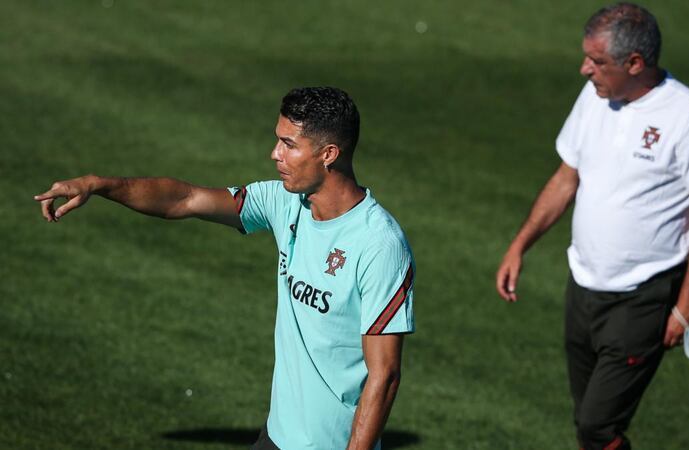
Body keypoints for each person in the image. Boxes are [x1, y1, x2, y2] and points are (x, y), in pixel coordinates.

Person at [35, 87, 415, 450]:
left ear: (329, 153)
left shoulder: (378, 245)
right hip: (277, 437)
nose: (274, 154)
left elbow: (384, 376)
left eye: (288, 144)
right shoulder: (285, 203)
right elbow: (185, 199)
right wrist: (99, 185)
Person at [495, 3, 689, 449]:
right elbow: (566, 178)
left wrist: (687, 306)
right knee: (589, 425)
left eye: (597, 61)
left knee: (596, 427)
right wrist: (519, 245)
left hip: (643, 295)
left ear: (635, 63)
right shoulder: (596, 97)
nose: (585, 69)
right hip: (583, 287)